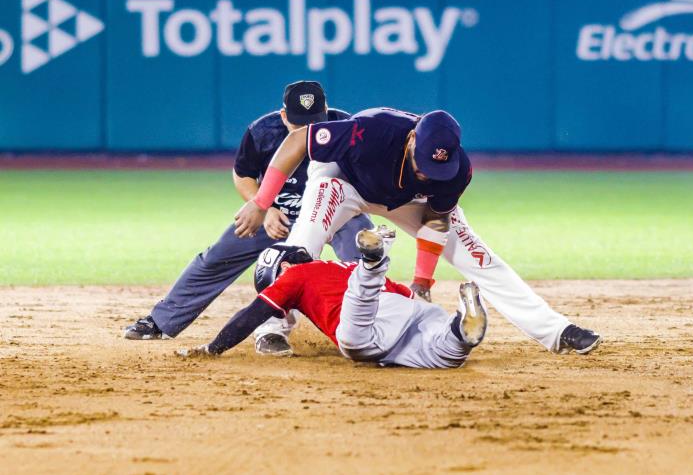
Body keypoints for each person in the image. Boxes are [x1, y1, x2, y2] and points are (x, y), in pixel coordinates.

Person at [233, 107, 601, 355]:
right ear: (411, 140)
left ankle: (555, 332)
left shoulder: (455, 170)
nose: (429, 171)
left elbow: (437, 220)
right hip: (344, 182)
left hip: (410, 201)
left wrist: (422, 279)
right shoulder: (369, 131)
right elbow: (298, 140)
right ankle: (272, 327)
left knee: (479, 257)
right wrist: (262, 201)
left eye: (437, 168)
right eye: (423, 163)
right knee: (302, 244)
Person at [123, 81, 373, 356]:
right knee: (219, 256)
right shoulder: (262, 132)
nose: (305, 132)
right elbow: (242, 175)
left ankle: (375, 324)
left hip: (335, 214)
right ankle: (161, 321)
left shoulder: (349, 129)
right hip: (278, 216)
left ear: (326, 111)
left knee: (365, 259)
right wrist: (263, 208)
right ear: (283, 116)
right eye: (298, 124)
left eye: (314, 123)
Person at [176, 226, 489, 369]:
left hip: (363, 327)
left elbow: (251, 314)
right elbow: (407, 297)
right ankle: (459, 330)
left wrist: (213, 348)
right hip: (407, 312)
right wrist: (424, 312)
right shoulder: (342, 265)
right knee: (445, 355)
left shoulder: (293, 275)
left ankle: (375, 261)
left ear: (282, 267)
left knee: (355, 329)